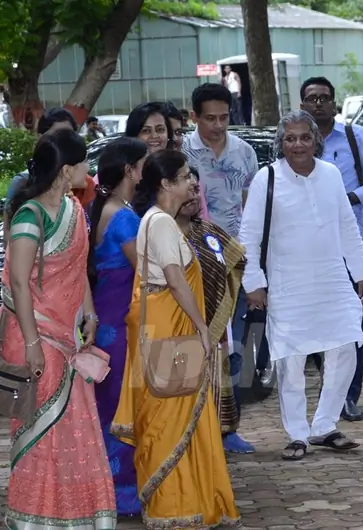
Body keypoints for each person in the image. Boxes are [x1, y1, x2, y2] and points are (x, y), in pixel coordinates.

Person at [111, 149, 241, 528]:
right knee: (172, 417)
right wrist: (203, 328)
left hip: (166, 329)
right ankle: (175, 507)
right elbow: (175, 279)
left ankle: (187, 502)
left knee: (178, 415)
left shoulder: (156, 220)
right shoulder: (162, 223)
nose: (192, 182)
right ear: (166, 184)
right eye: (185, 176)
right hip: (173, 332)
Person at [239, 110, 363, 461]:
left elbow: (347, 226)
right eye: (290, 138)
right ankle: (297, 433)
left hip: (332, 281)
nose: (297, 144)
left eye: (304, 137)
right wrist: (253, 282)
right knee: (291, 361)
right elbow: (249, 237)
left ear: (316, 140)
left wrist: (362, 271)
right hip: (287, 285)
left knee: (345, 348)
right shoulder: (267, 179)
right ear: (281, 143)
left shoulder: (330, 175)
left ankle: (325, 426)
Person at [3, 128, 116, 529]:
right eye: (85, 163)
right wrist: (33, 343)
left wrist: (89, 311)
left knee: (75, 425)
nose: (91, 169)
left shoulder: (73, 209)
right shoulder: (29, 216)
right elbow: (18, 282)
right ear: (67, 170)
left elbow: (79, 264)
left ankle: (75, 515)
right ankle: (36, 519)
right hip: (35, 335)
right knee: (41, 429)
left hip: (69, 336)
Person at [299, 76, 363, 422]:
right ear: (302, 104)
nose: (318, 104)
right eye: (311, 99)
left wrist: (352, 197)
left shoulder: (355, 137)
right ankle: (327, 385)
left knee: (351, 322)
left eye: (324, 98)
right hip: (305, 246)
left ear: (334, 103)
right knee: (316, 321)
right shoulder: (293, 139)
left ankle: (348, 395)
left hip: (351, 242)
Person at [183, 82, 259, 453]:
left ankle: (228, 428)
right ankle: (194, 427)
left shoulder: (244, 153)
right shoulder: (180, 152)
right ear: (193, 116)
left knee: (234, 344)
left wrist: (250, 260)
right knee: (195, 344)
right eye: (209, 118)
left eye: (224, 118)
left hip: (234, 265)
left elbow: (251, 209)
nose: (217, 125)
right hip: (190, 266)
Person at [88, 136, 148, 517]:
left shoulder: (106, 208)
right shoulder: (123, 215)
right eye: (143, 163)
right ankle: (122, 493)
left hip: (109, 315)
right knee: (123, 405)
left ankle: (111, 490)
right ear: (130, 170)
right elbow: (147, 265)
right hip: (123, 320)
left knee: (111, 403)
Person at [175, 170, 244, 440]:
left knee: (219, 376)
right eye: (187, 189)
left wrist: (222, 302)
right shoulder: (163, 231)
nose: (194, 195)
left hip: (215, 328)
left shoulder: (208, 231)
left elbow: (236, 260)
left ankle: (221, 436)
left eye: (196, 191)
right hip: (178, 326)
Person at [3, 108, 90, 248]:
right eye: (57, 136)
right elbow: (11, 244)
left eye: (68, 136)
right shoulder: (23, 184)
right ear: (41, 139)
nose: (63, 143)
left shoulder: (86, 185)